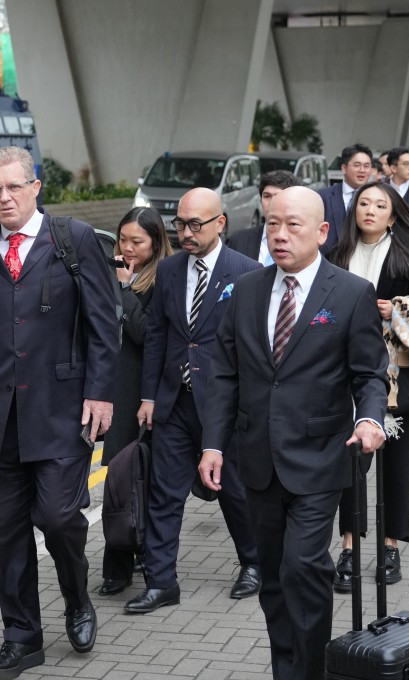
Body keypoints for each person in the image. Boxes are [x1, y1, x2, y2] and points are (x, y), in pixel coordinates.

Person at [197, 186, 389, 680]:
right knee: (274, 579)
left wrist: (370, 419)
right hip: (257, 458)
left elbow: (370, 373)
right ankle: (290, 669)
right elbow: (222, 372)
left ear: (323, 232)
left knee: (304, 568)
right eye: (272, 224)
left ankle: (312, 670)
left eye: (293, 225)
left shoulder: (349, 293)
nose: (279, 235)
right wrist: (213, 444)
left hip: (322, 457)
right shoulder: (247, 290)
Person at [0, 146, 119, 675]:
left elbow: (103, 324)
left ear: (35, 187)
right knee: (8, 531)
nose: (4, 197)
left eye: (13, 186)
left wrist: (99, 393)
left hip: (63, 409)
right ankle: (23, 637)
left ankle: (77, 597)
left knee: (57, 518)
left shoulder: (73, 240)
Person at [128, 187, 262, 615]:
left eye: (195, 225)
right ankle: (161, 581)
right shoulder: (168, 271)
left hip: (224, 405)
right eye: (180, 224)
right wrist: (149, 394)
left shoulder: (247, 272)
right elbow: (158, 337)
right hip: (174, 400)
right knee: (164, 494)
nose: (185, 232)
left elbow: (253, 347)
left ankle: (254, 563)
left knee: (233, 491)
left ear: (220, 222)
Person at [327, 180, 409, 593]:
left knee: (397, 465)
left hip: (399, 378)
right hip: (345, 374)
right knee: (351, 463)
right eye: (364, 203)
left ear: (393, 215)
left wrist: (395, 309)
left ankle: (390, 546)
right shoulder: (336, 254)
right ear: (353, 210)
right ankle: (347, 547)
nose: (371, 211)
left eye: (380, 205)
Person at [98, 206, 173, 596]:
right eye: (122, 239)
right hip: (117, 390)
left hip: (147, 394)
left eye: (137, 242)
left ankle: (145, 558)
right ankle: (118, 564)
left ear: (156, 243)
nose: (127, 248)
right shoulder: (113, 273)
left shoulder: (163, 279)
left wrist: (125, 289)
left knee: (144, 479)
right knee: (119, 480)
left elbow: (147, 334)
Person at [228, 169, 299, 264]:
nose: (272, 203)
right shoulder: (239, 240)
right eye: (267, 196)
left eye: (278, 196)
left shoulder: (305, 242)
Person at [318, 143, 373, 252]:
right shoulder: (323, 197)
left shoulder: (379, 199)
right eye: (357, 165)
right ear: (344, 168)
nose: (362, 170)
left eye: (367, 166)